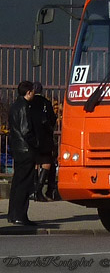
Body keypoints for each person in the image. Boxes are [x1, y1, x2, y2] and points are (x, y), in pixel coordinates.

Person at [6, 81, 40, 226]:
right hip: (26, 150)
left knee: (17, 183)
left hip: (17, 149)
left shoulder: (14, 106)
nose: (34, 93)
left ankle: (13, 215)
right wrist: (37, 144)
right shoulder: (25, 107)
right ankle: (20, 216)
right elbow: (26, 130)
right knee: (25, 185)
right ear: (28, 92)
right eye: (33, 91)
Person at [30, 82, 58, 201]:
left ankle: (35, 189)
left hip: (32, 136)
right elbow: (52, 119)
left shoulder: (28, 103)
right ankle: (39, 190)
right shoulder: (46, 103)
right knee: (47, 161)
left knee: (36, 162)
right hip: (45, 136)